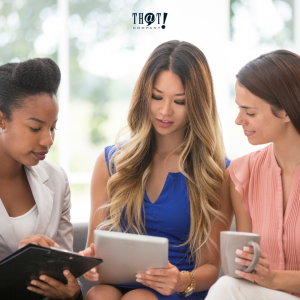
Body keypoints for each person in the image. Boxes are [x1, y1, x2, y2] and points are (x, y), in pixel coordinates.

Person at [80, 40, 233, 300]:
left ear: (196, 104)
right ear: (144, 96)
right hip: (121, 283)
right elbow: (92, 252)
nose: (165, 111)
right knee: (99, 294)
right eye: (156, 97)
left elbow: (211, 267)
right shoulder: (111, 161)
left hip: (177, 288)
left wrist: (180, 280)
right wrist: (89, 265)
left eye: (180, 101)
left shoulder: (216, 172)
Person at [206, 50, 300, 299]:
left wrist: (273, 278)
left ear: (286, 111)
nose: (239, 120)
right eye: (239, 109)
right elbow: (242, 270)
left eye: (250, 112)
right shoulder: (242, 174)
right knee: (227, 285)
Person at [0, 58, 82, 300]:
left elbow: (65, 268)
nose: (48, 140)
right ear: (1, 120)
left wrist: (73, 293)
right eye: (36, 128)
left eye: (53, 127)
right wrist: (19, 263)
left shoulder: (57, 180)